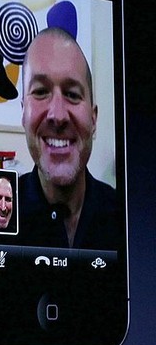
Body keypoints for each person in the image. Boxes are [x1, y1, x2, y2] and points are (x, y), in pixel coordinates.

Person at [16, 27, 117, 249]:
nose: (58, 115)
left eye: (72, 94)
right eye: (41, 91)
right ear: (23, 113)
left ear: (93, 118)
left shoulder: (125, 217)